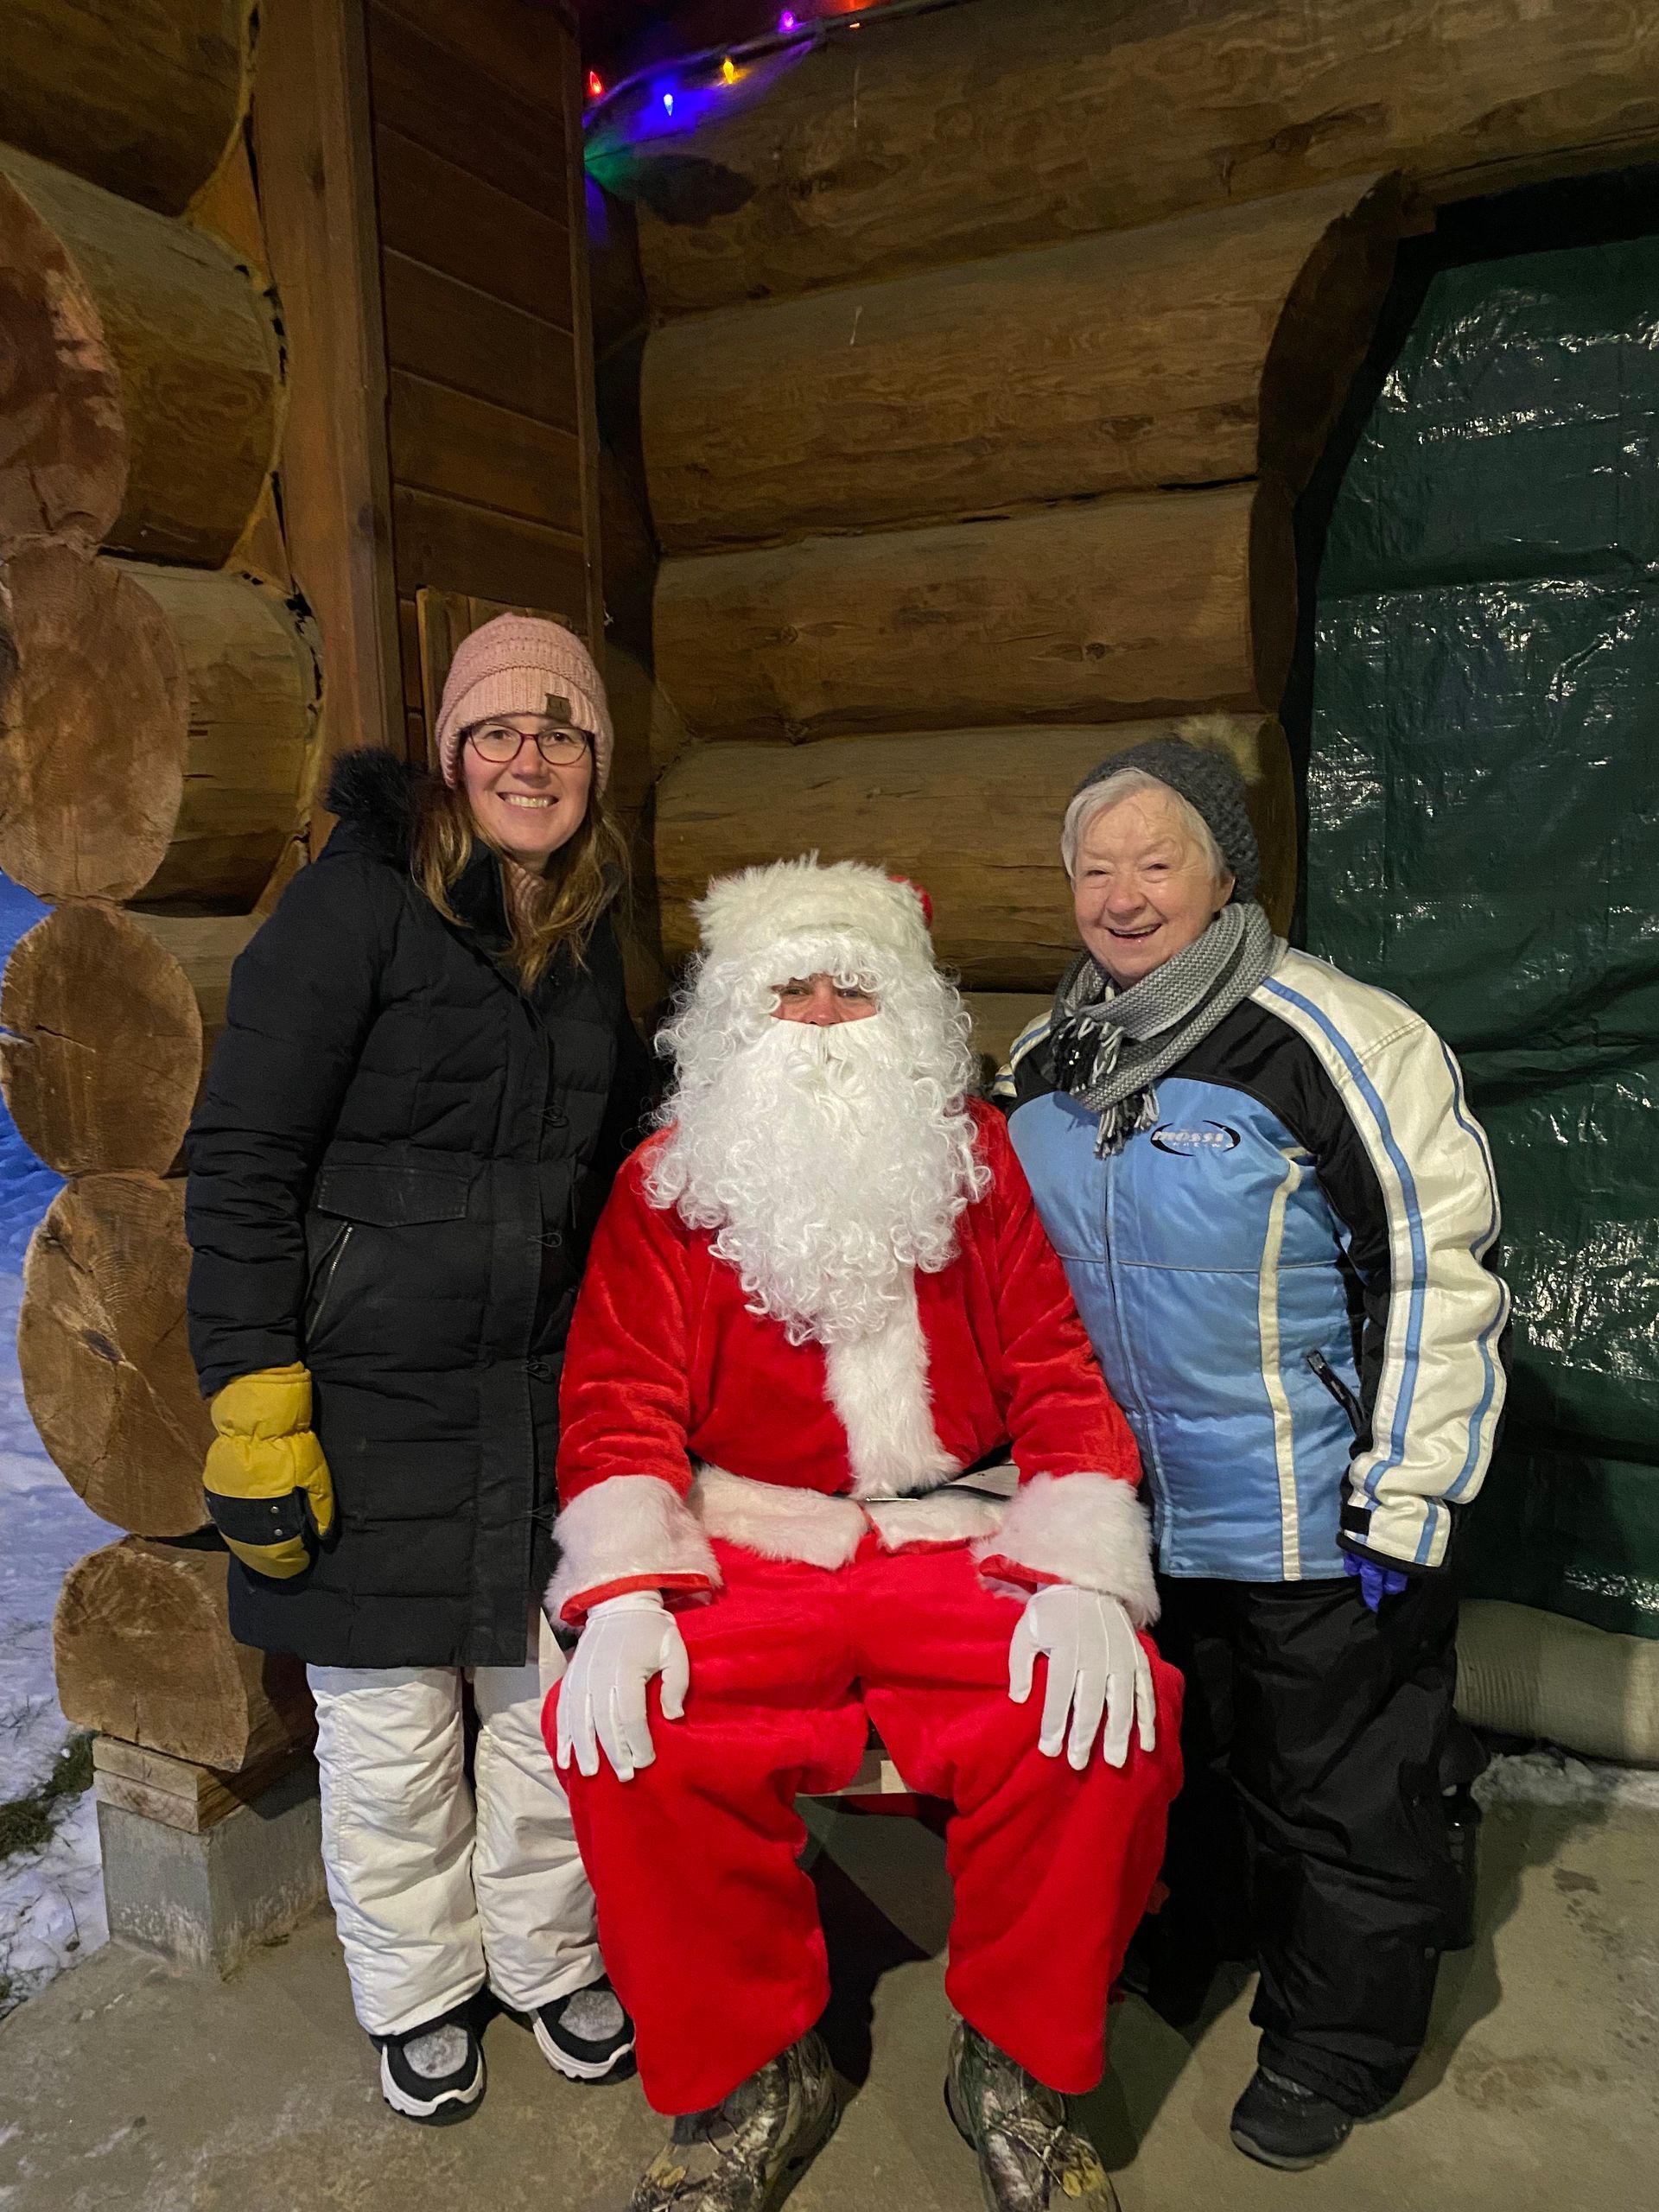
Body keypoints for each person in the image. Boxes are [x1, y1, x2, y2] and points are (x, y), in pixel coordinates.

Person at [541, 855, 1182, 2212]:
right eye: (793, 991)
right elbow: (616, 1399)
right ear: (733, 1016)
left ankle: (1016, 2061)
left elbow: (1061, 1369)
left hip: (954, 1537)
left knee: (1112, 1722)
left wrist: (1079, 1569)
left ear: (910, 1014)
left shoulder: (976, 1161)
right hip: (749, 1544)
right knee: (638, 1731)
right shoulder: (666, 1186)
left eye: (856, 988)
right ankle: (756, 2072)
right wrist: (629, 1594)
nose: (826, 1019)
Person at [995, 737, 1509, 2171]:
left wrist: (1407, 1489)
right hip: (1139, 1523)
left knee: (1341, 1785)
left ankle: (1338, 2037)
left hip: (1314, 1513)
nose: (1122, 893)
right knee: (1183, 1761)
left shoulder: (1336, 1036)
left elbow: (1437, 1267)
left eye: (1155, 861)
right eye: (1095, 868)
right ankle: (1205, 1938)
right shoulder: (1053, 1060)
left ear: (1225, 871)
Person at [185, 617, 650, 2122]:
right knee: (389, 1742)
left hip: (533, 1404)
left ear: (594, 765)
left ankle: (545, 1953)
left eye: (562, 735)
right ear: (450, 756)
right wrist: (256, 1406)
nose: (532, 759)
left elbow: (617, 1149)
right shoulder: (351, 914)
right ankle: (422, 1990)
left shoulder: (582, 937)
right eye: (501, 733)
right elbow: (244, 1165)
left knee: (544, 1717)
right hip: (366, 1404)